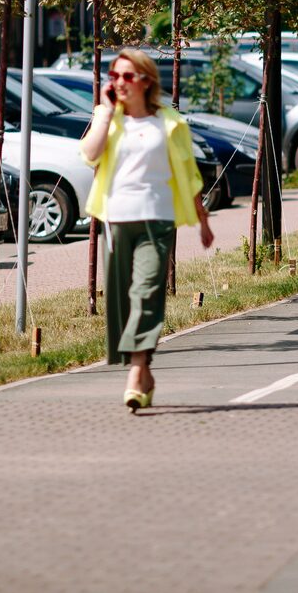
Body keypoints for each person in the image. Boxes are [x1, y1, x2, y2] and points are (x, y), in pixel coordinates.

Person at [80, 47, 213, 412]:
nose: (119, 82)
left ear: (145, 80)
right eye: (114, 75)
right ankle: (145, 371)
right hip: (116, 219)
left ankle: (137, 372)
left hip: (158, 219)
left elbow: (188, 173)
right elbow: (89, 154)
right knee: (121, 300)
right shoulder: (108, 116)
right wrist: (106, 113)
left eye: (127, 76)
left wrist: (202, 219)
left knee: (147, 291)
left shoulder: (169, 122)